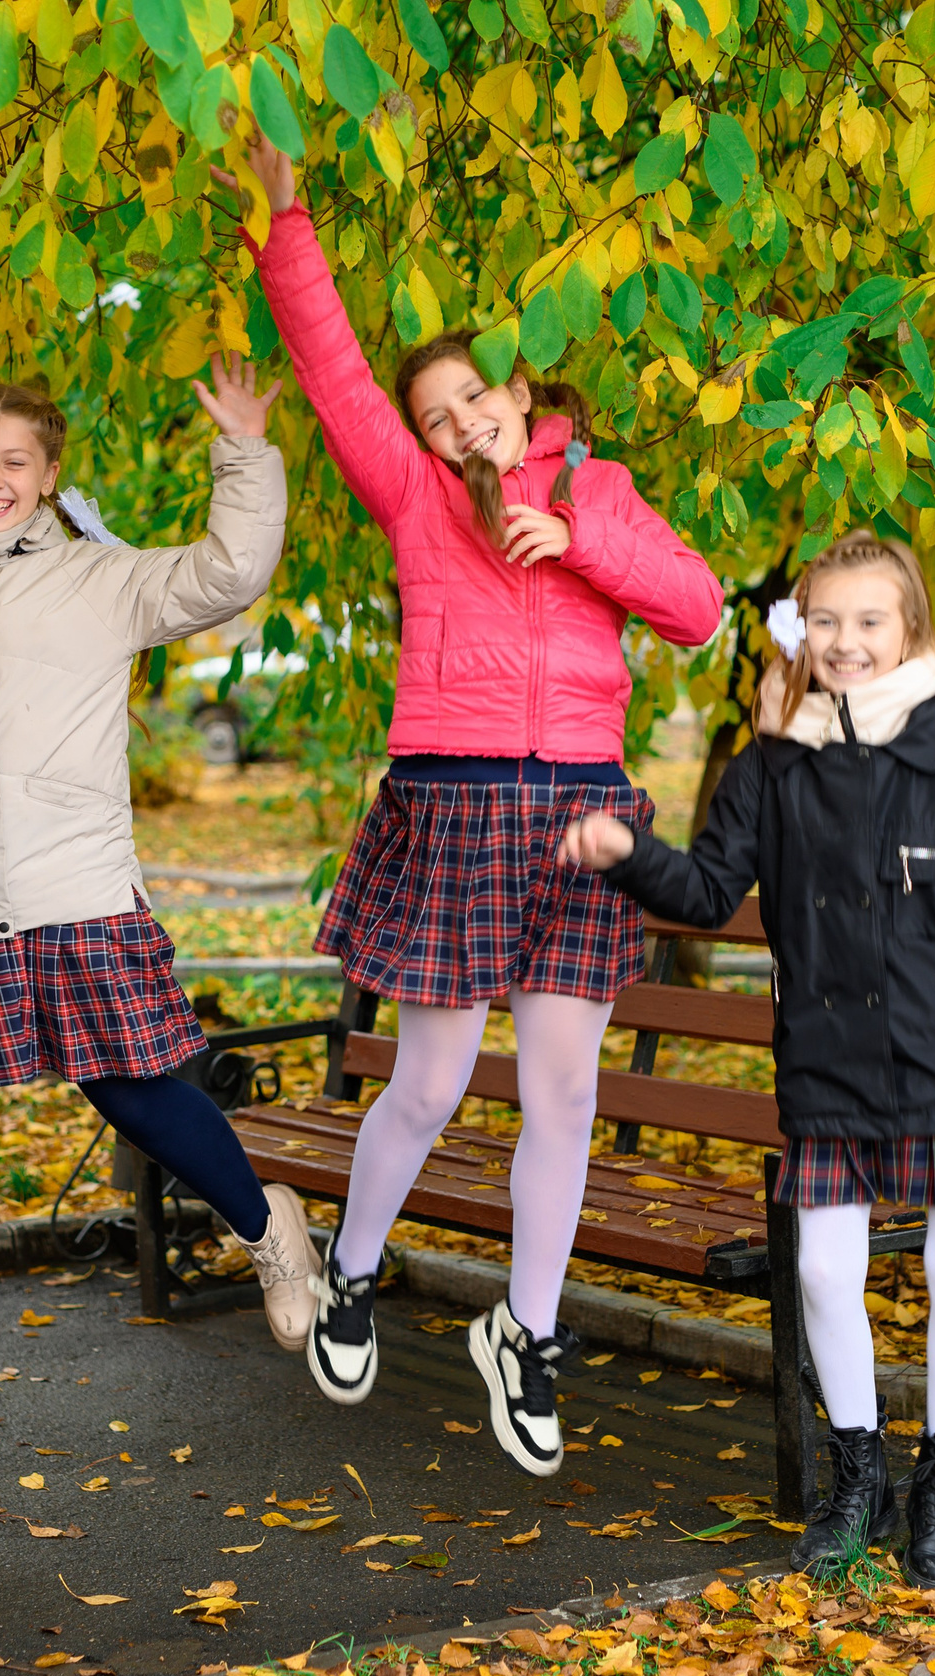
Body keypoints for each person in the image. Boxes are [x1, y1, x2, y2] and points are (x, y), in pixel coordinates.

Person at [232, 135, 724, 1477]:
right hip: (454, 803)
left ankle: (530, 1329)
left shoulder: (601, 492)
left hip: (582, 811)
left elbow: (700, 607)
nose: (459, 427)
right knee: (434, 1079)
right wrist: (290, 229)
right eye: (438, 414)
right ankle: (350, 1267)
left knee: (565, 1090)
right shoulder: (413, 499)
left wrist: (585, 537)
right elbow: (336, 374)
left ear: (520, 387)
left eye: (472, 401)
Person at [560, 530, 935, 1588]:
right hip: (828, 1061)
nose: (847, 642)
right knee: (820, 1267)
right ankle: (860, 1472)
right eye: (826, 621)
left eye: (869, 621)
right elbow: (711, 887)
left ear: (907, 627)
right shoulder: (773, 763)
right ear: (798, 630)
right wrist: (631, 853)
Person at [0, 363, 321, 1440]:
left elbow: (228, 572)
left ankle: (273, 1231)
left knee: (134, 1088)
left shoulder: (102, 580)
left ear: (48, 472)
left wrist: (245, 452)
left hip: (71, 884)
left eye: (14, 461)